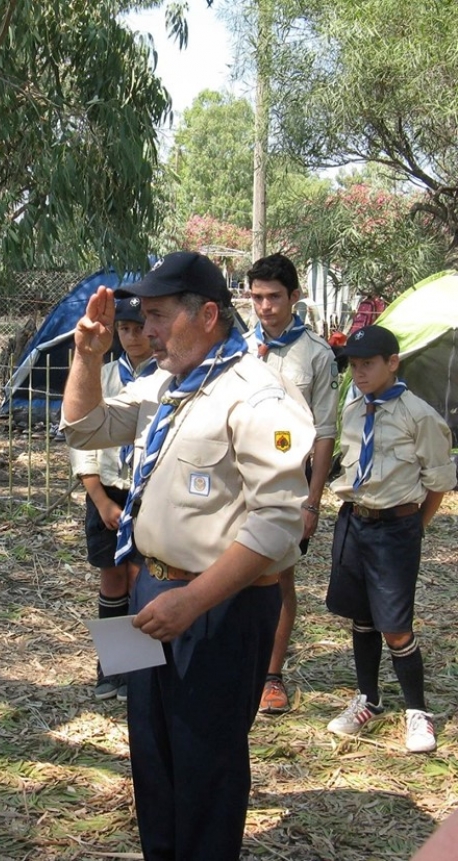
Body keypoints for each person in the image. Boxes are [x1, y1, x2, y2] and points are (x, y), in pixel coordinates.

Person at [62, 251, 314, 861]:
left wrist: (192, 602)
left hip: (217, 606)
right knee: (153, 754)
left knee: (207, 764)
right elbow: (85, 428)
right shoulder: (167, 382)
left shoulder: (257, 396)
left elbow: (279, 525)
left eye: (156, 317)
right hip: (154, 593)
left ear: (206, 315)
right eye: (141, 317)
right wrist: (86, 356)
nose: (145, 331)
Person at [325, 325, 453, 753]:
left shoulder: (419, 416)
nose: (358, 373)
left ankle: (418, 712)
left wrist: (416, 525)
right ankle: (368, 698)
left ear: (392, 363)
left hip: (396, 526)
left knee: (395, 625)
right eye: (354, 365)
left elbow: (437, 481)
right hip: (355, 520)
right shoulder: (354, 404)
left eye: (368, 364)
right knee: (360, 615)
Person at [245, 253, 339, 715]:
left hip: (290, 480)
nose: (265, 307)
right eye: (257, 297)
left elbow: (324, 432)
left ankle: (271, 675)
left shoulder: (316, 355)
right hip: (240, 476)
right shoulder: (238, 347)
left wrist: (312, 501)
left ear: (295, 297)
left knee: (277, 574)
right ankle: (237, 664)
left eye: (274, 297)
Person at [68, 292, 160, 701]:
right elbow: (82, 443)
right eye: (124, 328)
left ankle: (136, 668)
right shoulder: (102, 375)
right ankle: (111, 666)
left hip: (146, 493)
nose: (133, 337)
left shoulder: (166, 379)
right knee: (112, 576)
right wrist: (100, 501)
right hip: (106, 492)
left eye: (140, 328)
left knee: (140, 578)